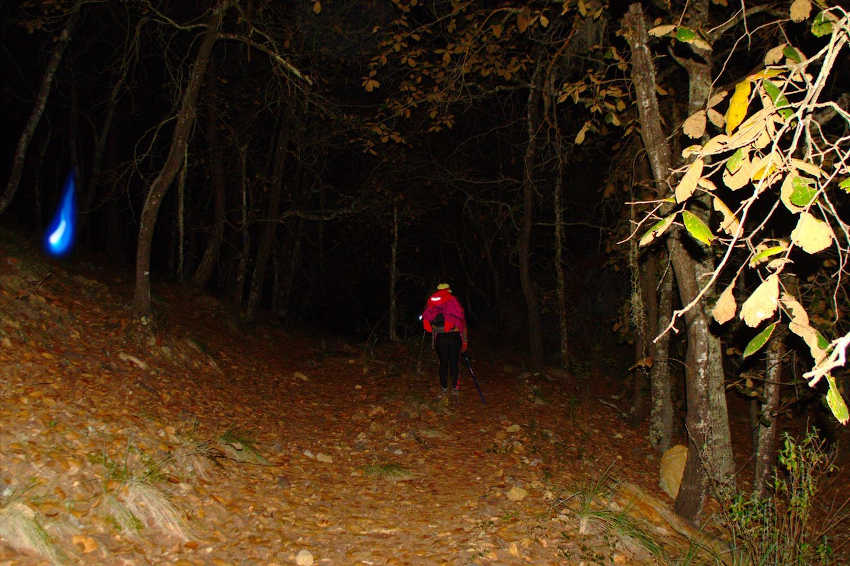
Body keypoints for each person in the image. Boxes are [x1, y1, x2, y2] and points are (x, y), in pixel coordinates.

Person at [421, 283, 468, 394]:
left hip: (440, 338)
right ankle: (455, 388)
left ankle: (444, 387)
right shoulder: (454, 302)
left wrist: (433, 342)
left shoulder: (433, 303)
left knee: (443, 363)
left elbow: (430, 324)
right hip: (454, 336)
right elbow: (463, 323)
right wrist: (465, 341)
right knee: (454, 362)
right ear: (449, 291)